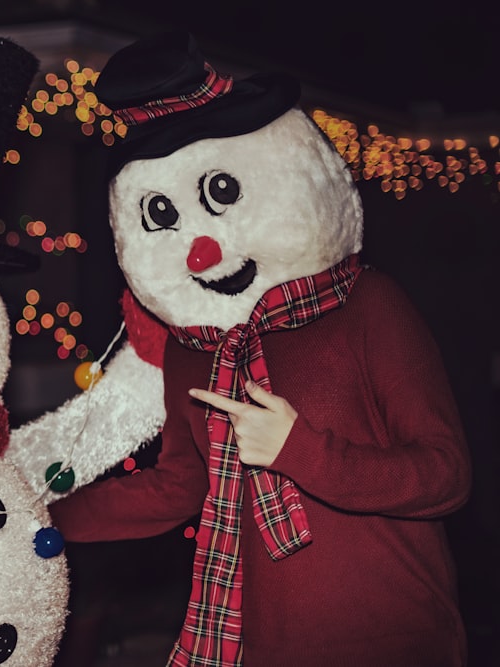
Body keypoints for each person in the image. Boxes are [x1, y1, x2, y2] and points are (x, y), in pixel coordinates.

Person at [45, 30, 472, 667]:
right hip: (257, 646)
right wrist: (44, 516)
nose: (202, 251)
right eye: (163, 214)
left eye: (221, 195)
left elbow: (446, 477)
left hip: (395, 639)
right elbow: (178, 486)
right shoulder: (195, 352)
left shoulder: (366, 308)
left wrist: (301, 450)